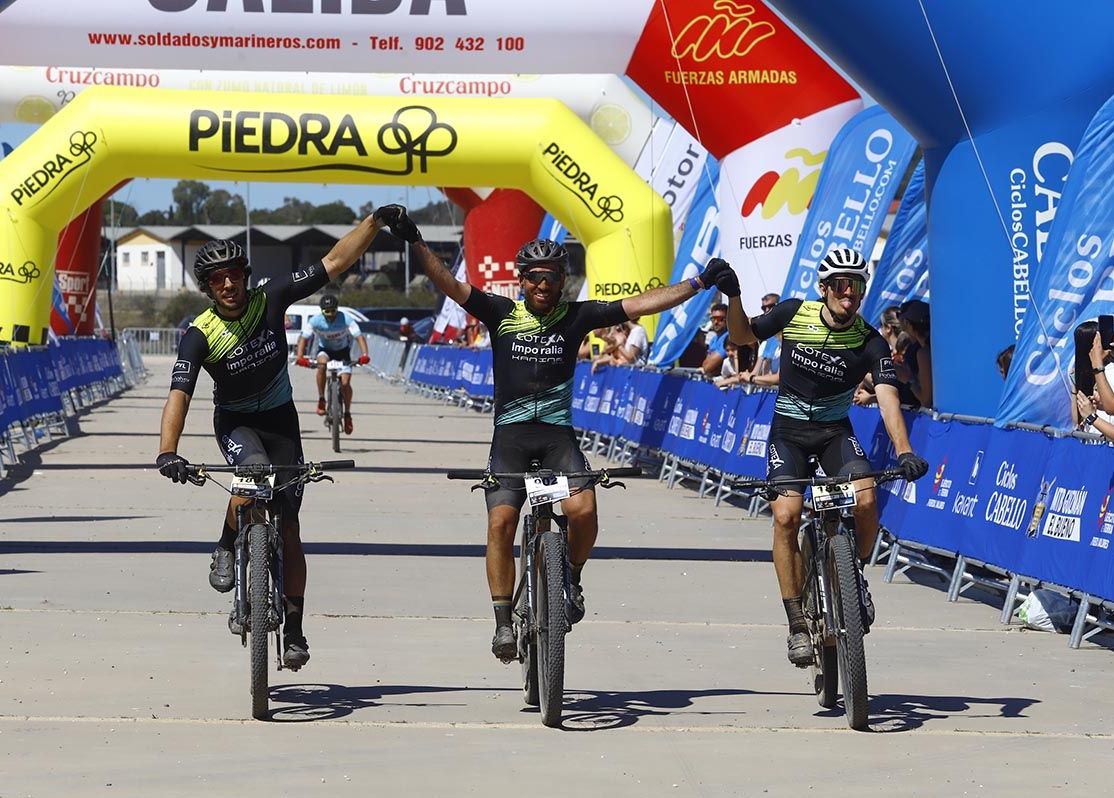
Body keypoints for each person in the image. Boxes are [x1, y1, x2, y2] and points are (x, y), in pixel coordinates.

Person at [378, 205, 736, 662]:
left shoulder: (577, 316)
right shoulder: (499, 312)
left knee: (584, 509)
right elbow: (448, 283)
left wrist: (698, 284)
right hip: (510, 438)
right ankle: (503, 622)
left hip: (556, 439)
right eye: (534, 277)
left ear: (563, 279)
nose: (543, 285)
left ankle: (573, 574)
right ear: (522, 280)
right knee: (500, 523)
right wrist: (414, 238)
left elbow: (643, 302)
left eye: (551, 277)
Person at [155, 216, 384, 671]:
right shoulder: (199, 335)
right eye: (217, 280)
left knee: (292, 526)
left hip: (282, 420)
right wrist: (167, 451)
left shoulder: (271, 297)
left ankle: (296, 630)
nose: (228, 285)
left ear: (245, 276)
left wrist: (376, 221)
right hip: (236, 422)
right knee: (252, 473)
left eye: (233, 276)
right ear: (207, 287)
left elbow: (336, 260)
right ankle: (226, 544)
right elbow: (179, 393)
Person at [718, 248, 929, 667]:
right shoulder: (795, 313)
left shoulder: (869, 341)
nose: (849, 294)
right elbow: (743, 337)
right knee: (786, 517)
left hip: (834, 432)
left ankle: (855, 576)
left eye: (857, 286)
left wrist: (905, 451)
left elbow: (888, 400)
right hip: (789, 434)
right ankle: (797, 623)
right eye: (841, 285)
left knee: (866, 497)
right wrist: (734, 298)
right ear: (824, 288)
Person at [294, 294, 370, 434]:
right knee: (321, 364)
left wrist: (365, 355)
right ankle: (322, 398)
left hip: (342, 352)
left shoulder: (345, 318)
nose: (330, 316)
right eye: (326, 312)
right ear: (321, 311)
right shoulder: (315, 321)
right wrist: (300, 357)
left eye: (333, 312)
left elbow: (359, 336)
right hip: (325, 351)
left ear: (337, 309)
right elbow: (303, 338)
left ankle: (347, 414)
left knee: (346, 384)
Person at [895, 299, 933, 409]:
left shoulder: (924, 352)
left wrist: (908, 378)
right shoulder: (916, 348)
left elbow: (926, 401)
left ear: (907, 323)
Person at [701, 303, 731, 377]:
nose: (716, 322)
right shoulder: (714, 339)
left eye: (720, 319)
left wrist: (709, 364)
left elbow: (707, 367)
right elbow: (705, 365)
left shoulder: (729, 338)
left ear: (727, 320)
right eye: (713, 319)